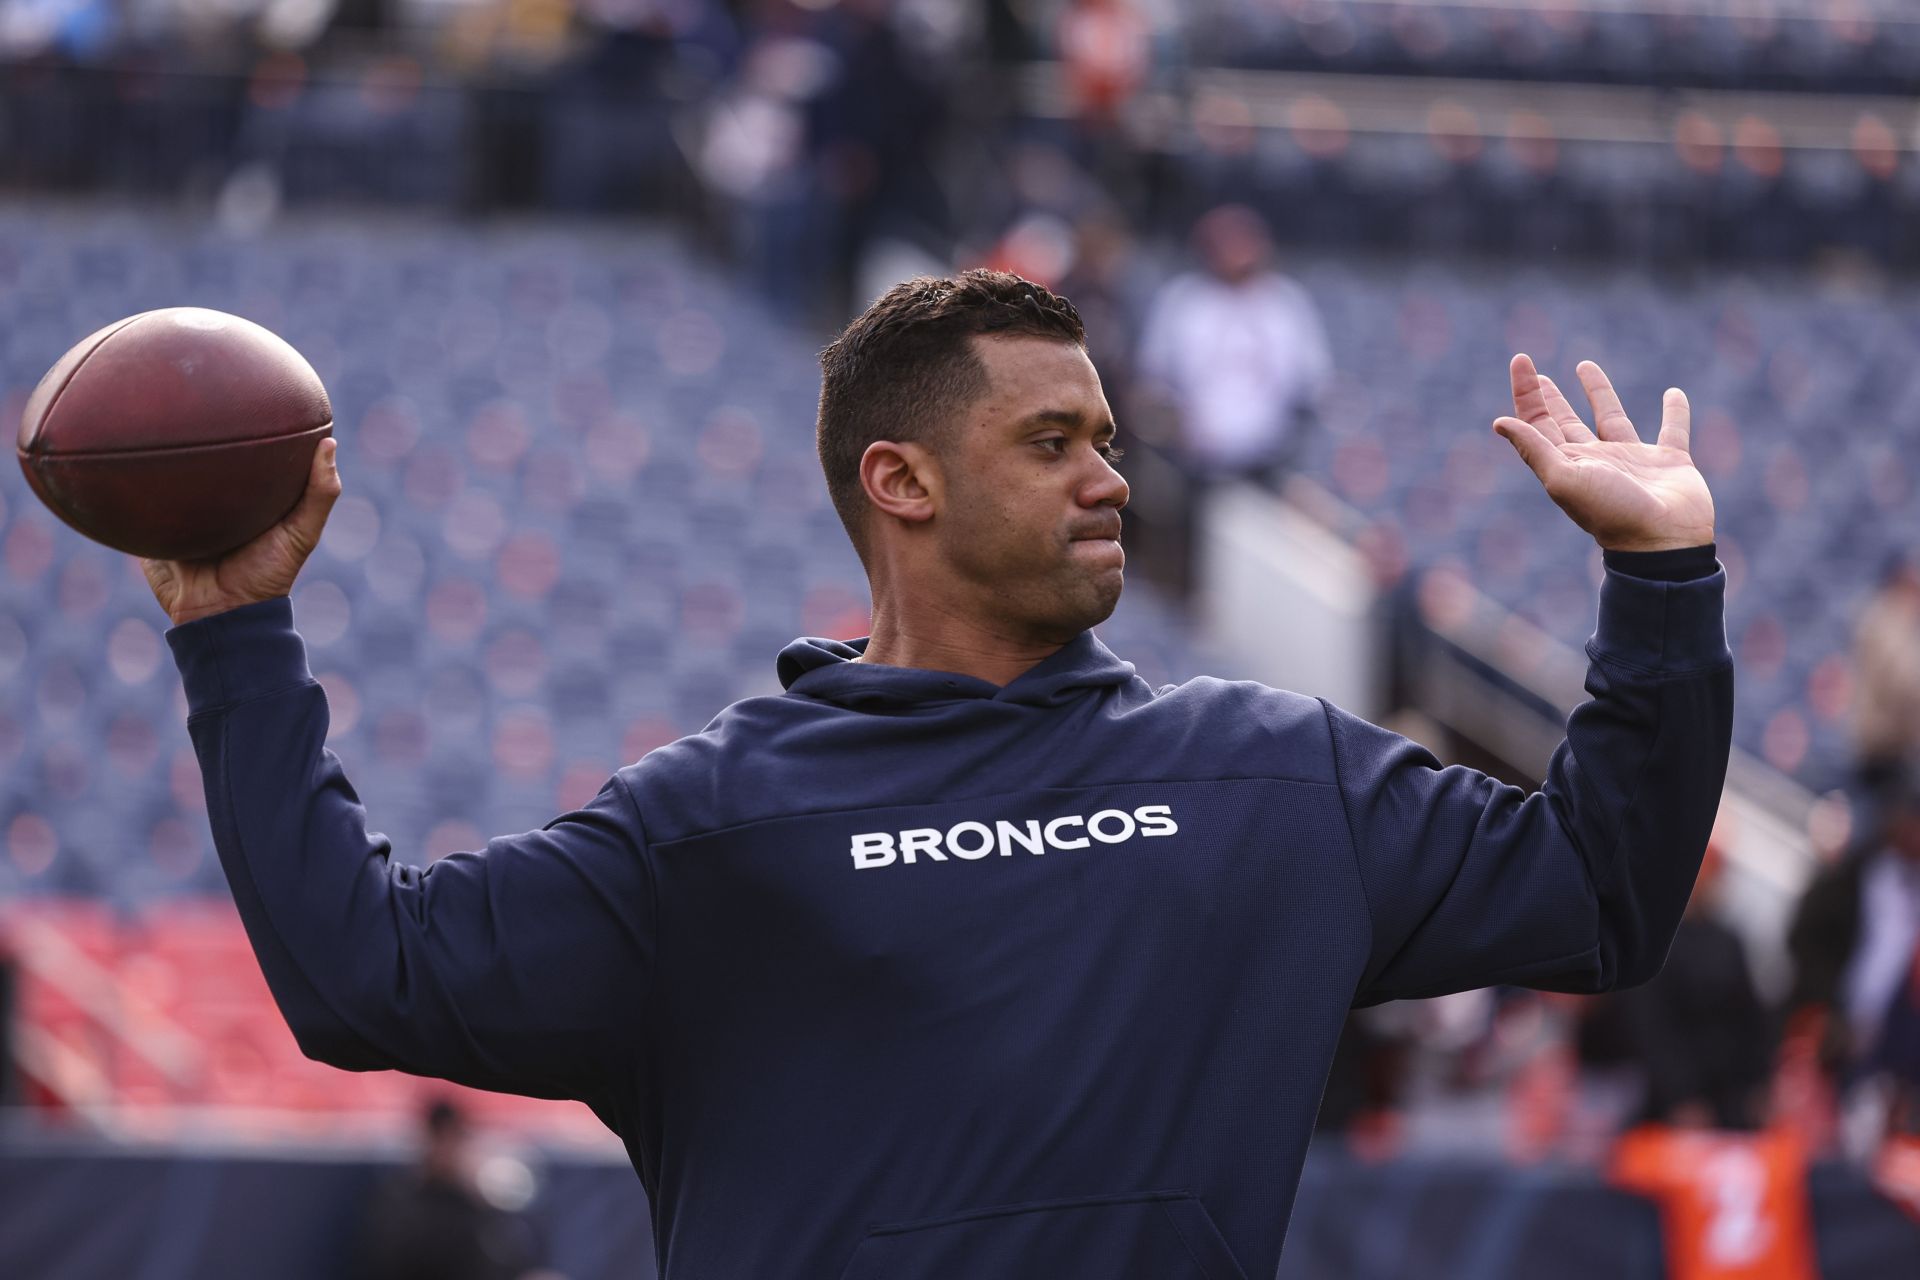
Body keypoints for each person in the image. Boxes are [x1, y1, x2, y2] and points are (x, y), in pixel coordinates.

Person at [144, 270, 1731, 1278]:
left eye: (1109, 435)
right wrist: (236, 637)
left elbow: (1602, 898)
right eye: (1052, 442)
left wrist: (1662, 583)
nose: (1112, 476)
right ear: (897, 481)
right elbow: (367, 977)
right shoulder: (713, 822)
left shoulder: (1273, 777)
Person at [358, 1098, 549, 1280]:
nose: (449, 1150)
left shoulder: (479, 1202)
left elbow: (511, 1258)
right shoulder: (403, 1203)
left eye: (455, 1139)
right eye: (442, 1139)